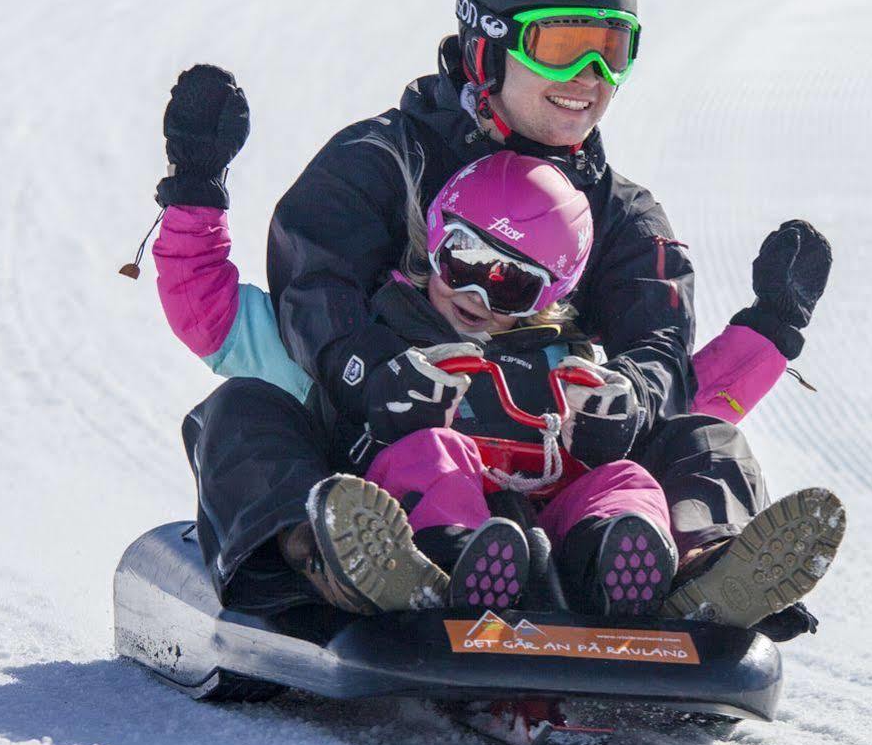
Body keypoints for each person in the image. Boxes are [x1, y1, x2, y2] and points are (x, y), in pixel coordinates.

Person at [168, 0, 844, 629]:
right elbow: (314, 291)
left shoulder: (620, 214)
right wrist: (375, 371)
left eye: (612, 50)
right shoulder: (381, 163)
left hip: (557, 469)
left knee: (706, 441)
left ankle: (698, 574)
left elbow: (662, 354)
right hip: (381, 461)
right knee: (243, 411)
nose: (591, 78)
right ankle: (334, 564)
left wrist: (633, 399)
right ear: (486, 43)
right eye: (562, 47)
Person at [153, 131, 824, 617]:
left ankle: (682, 573)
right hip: (401, 525)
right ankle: (381, 568)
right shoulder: (369, 338)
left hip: (548, 534)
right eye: (465, 257)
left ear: (550, 296)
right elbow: (210, 314)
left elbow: (698, 396)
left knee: (644, 470)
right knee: (247, 408)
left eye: (512, 283)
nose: (477, 290)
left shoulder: (572, 361)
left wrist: (770, 331)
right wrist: (195, 190)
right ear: (434, 237)